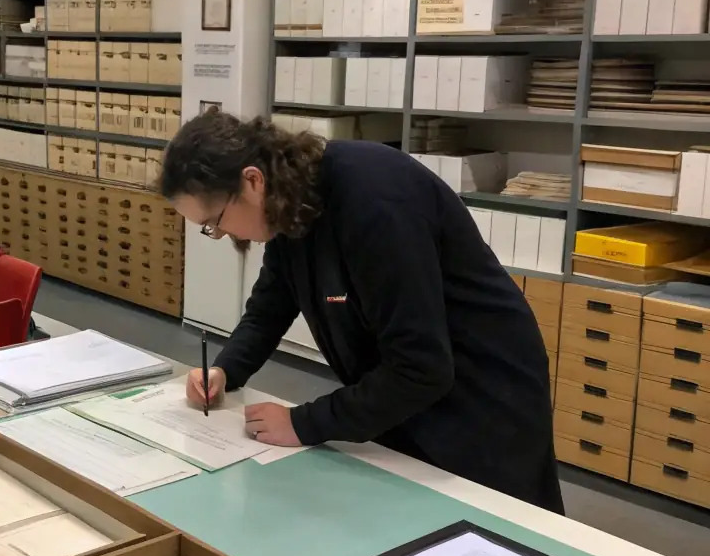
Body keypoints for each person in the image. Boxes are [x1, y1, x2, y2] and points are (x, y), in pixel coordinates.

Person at [159, 111, 563, 514]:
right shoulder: (290, 200)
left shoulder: (373, 201)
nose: (220, 234)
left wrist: (303, 424)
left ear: (252, 181)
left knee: (498, 544)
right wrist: (226, 370)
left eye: (214, 222)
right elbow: (272, 304)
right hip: (409, 390)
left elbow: (421, 368)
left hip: (483, 395)